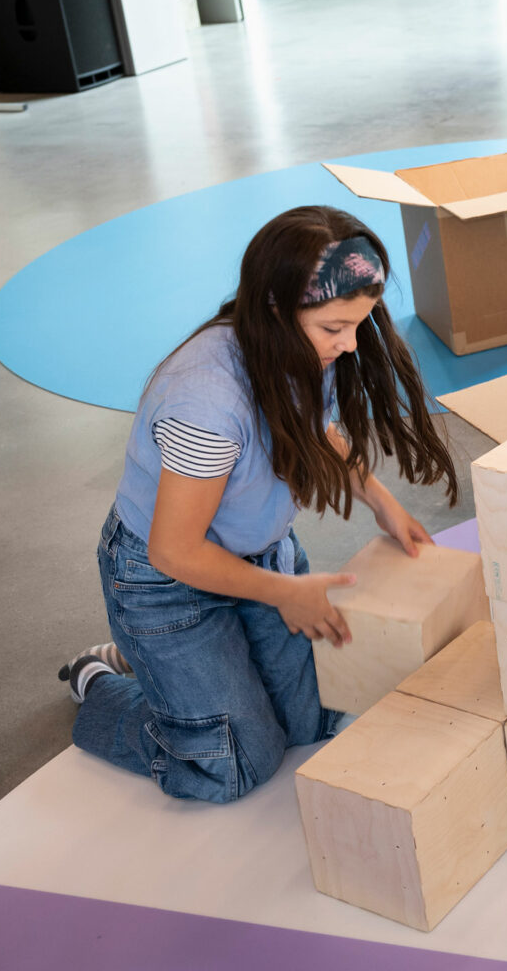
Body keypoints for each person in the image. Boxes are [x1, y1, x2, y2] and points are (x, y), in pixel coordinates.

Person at [58, 206, 460, 801]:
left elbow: (317, 427)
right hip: (165, 581)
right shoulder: (206, 405)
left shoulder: (296, 351)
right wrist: (284, 593)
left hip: (259, 558)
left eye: (361, 322)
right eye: (333, 327)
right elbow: (174, 550)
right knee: (236, 765)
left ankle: (171, 671)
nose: (350, 345)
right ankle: (103, 680)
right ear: (276, 307)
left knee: (317, 719)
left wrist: (378, 499)